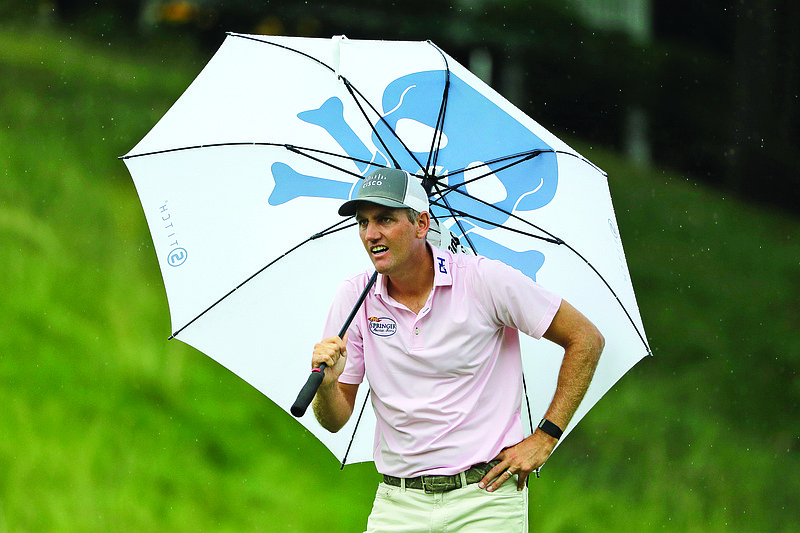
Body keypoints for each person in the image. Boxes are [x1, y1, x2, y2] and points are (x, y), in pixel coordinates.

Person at [311, 168, 604, 533]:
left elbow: (586, 339)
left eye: (385, 219)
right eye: (363, 222)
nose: (371, 235)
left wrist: (545, 437)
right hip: (398, 501)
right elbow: (335, 420)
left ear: (421, 224)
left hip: (486, 497)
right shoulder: (353, 297)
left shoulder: (484, 279)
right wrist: (326, 384)